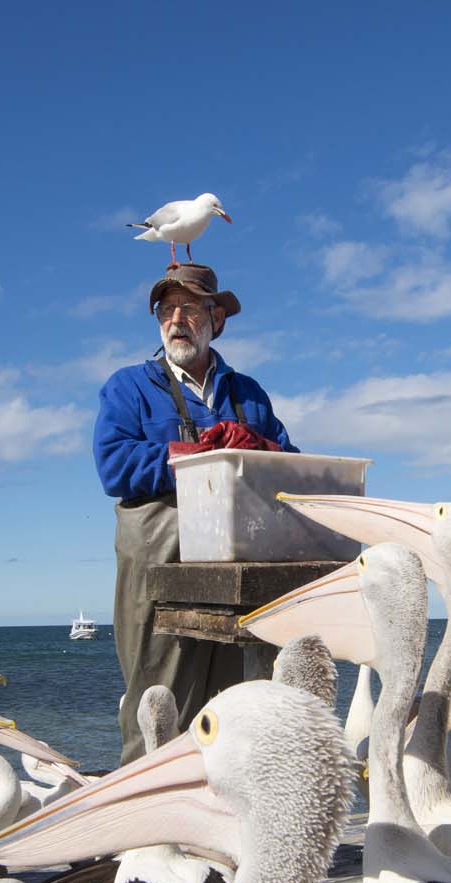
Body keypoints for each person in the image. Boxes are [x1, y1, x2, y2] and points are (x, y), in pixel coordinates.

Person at [92, 264, 296, 763]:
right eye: (166, 310)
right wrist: (195, 455)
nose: (176, 320)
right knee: (158, 702)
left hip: (239, 572)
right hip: (159, 565)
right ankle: (146, 807)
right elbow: (114, 466)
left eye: (189, 308)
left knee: (234, 709)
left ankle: (220, 805)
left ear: (216, 319)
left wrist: (260, 447)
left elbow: (291, 466)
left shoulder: (249, 394)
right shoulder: (128, 387)